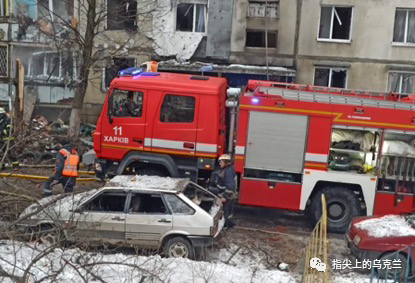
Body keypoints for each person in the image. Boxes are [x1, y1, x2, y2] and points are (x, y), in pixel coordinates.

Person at [216, 154, 237, 229]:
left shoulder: (228, 171)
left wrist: (225, 196)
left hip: (226, 196)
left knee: (226, 211)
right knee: (224, 210)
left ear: (225, 162)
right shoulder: (226, 169)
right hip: (224, 194)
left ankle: (226, 225)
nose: (219, 163)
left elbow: (230, 186)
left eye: (221, 162)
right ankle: (228, 224)